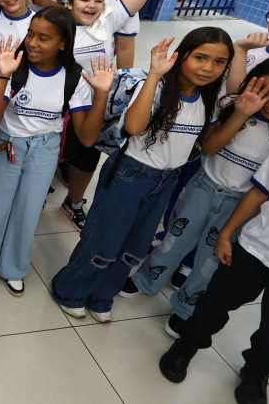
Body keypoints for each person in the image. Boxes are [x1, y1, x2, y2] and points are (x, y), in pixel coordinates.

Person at [51, 29, 235, 322]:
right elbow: (134, 127)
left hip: (167, 179)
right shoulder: (159, 87)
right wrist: (153, 74)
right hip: (130, 174)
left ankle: (102, 295)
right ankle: (70, 289)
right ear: (182, 55)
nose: (207, 68)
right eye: (200, 58)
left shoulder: (210, 99)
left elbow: (208, 145)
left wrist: (239, 114)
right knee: (103, 239)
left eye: (218, 62)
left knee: (134, 246)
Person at [0, 7, 112, 296]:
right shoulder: (14, 67)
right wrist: (3, 77)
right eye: (30, 34)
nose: (32, 43)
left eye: (43, 38)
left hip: (45, 148)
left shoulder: (75, 78)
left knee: (29, 208)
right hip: (7, 143)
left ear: (62, 43)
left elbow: (87, 137)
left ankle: (13, 267)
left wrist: (102, 95)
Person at [119, 60, 269, 327]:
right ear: (252, 82)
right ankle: (146, 279)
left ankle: (185, 305)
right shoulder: (229, 105)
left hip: (241, 204)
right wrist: (240, 114)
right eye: (265, 91)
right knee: (174, 239)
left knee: (211, 261)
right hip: (204, 185)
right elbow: (210, 147)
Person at [157, 144, 269, 404]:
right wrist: (225, 233)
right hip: (256, 246)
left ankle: (257, 370)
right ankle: (187, 344)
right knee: (216, 300)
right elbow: (259, 193)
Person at [59, 0, 156, 230]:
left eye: (97, 0)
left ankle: (73, 201)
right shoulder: (58, 24)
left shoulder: (111, 16)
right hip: (58, 97)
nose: (91, 5)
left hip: (93, 96)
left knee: (88, 152)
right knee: (58, 149)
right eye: (83, 0)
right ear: (69, 3)